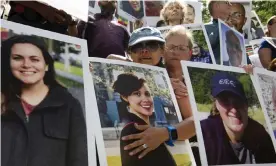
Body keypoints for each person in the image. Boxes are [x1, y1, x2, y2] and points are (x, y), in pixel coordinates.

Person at [108, 27, 195, 161]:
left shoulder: (173, 83)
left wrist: (165, 133)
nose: (144, 51)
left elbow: (194, 124)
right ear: (129, 53)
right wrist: (152, 79)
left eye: (152, 45)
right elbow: (110, 57)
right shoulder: (125, 73)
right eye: (137, 47)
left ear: (162, 50)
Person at [1, 35, 88, 166]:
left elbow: (79, 158)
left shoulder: (69, 104)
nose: (26, 65)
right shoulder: (3, 103)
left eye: (34, 59)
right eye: (17, 58)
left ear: (46, 65)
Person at [201, 72, 276, 165]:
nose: (234, 109)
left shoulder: (260, 135)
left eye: (238, 101)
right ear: (216, 105)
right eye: (225, 101)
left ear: (246, 104)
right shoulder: (204, 132)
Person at [113, 73, 177, 166]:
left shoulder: (145, 128)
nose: (145, 99)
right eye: (137, 94)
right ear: (125, 97)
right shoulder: (134, 130)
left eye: (147, 94)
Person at [7, 1, 77, 35]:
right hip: (24, 22)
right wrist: (43, 9)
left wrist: (71, 23)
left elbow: (72, 36)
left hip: (53, 27)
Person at [205, 0, 232, 64]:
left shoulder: (232, 29)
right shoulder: (205, 28)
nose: (230, 5)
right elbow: (209, 45)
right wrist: (222, 26)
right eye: (227, 2)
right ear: (217, 5)